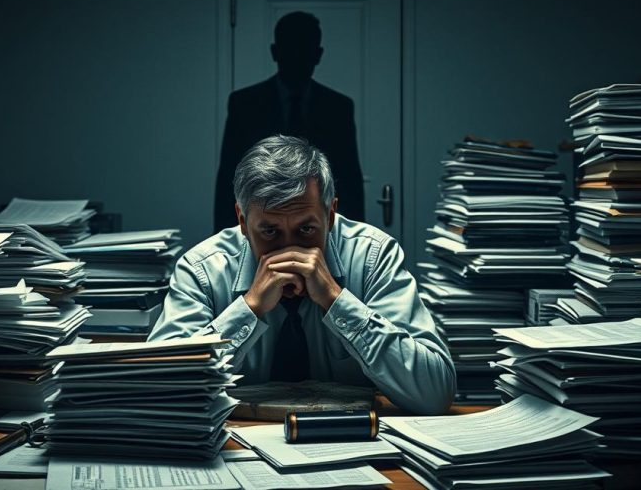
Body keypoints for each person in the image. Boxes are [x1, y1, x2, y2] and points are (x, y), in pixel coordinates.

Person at [151, 135, 455, 415]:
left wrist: (336, 300)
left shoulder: (373, 257)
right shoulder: (203, 268)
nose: (289, 250)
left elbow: (435, 394)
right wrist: (250, 307)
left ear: (331, 215)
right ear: (243, 222)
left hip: (350, 444)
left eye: (306, 229)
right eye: (270, 231)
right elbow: (160, 392)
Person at [213, 11, 364, 233]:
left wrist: (353, 235)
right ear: (276, 52)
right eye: (291, 49)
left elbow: (349, 180)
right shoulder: (245, 104)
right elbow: (230, 176)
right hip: (260, 225)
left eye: (305, 50)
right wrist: (224, 238)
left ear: (318, 54)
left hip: (319, 229)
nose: (297, 57)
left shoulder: (337, 107)